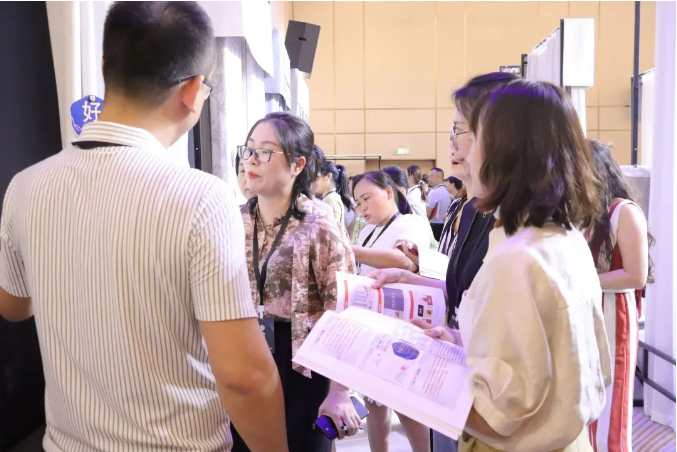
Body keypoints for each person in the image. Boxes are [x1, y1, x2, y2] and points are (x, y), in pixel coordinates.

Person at [0, 3, 287, 451]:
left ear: (104, 70)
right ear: (192, 91)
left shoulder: (25, 185)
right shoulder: (202, 198)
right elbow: (244, 376)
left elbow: (14, 307)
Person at [370, 79, 612, 452]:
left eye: (473, 138)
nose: (462, 156)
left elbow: (494, 416)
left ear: (506, 151)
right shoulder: (562, 236)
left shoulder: (516, 259)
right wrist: (459, 344)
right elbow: (540, 359)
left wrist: (396, 372)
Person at [402, 72, 520, 452]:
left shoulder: (525, 241)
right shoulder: (473, 210)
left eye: (459, 131)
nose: (453, 147)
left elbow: (527, 394)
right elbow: (468, 295)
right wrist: (452, 336)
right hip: (463, 374)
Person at [235, 112, 360, 452]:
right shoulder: (237, 219)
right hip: (248, 354)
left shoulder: (319, 223)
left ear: (297, 164)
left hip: (303, 363)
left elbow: (345, 308)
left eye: (265, 151)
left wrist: (340, 390)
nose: (251, 160)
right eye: (249, 150)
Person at [350, 171, 433, 452]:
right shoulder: (366, 233)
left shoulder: (410, 223)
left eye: (366, 199)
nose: (362, 208)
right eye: (358, 203)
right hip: (372, 324)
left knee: (407, 407)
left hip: (404, 325)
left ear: (388, 192)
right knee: (374, 402)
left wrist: (348, 249)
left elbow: (403, 259)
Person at [586, 140, 654, 452]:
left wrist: (582, 280)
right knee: (586, 404)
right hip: (587, 313)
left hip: (614, 317)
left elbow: (635, 275)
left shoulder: (623, 211)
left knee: (611, 409)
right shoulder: (585, 213)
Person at [312, 160, 354, 232]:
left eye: (317, 178)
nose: (313, 183)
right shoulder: (333, 197)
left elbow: (331, 231)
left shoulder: (330, 199)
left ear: (328, 176)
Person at [426, 167, 452, 240]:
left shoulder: (435, 192)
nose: (429, 179)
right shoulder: (446, 191)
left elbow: (428, 213)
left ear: (439, 178)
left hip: (434, 226)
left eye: (431, 177)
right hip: (444, 225)